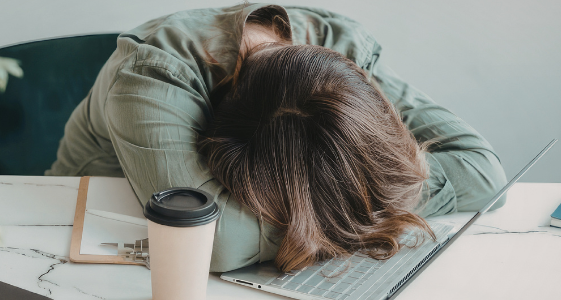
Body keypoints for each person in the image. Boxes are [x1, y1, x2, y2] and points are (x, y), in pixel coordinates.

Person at [46, 3, 507, 272]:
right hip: (85, 232)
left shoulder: (341, 51)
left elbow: (483, 173)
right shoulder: (150, 75)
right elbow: (215, 242)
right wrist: (364, 210)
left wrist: (341, 205)